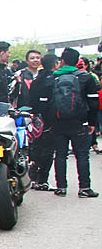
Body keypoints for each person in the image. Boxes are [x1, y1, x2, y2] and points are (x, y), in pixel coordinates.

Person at [50, 47, 99, 197]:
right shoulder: (86, 77)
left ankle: (61, 188)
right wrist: (92, 123)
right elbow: (93, 102)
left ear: (62, 61)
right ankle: (84, 188)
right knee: (82, 155)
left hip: (58, 123)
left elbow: (46, 102)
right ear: (78, 61)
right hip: (79, 122)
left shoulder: (53, 77)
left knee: (60, 155)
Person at [28, 54, 58, 190]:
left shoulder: (36, 80)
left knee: (36, 148)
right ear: (55, 64)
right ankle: (43, 180)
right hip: (50, 120)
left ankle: (33, 177)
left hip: (35, 118)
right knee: (47, 150)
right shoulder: (54, 80)